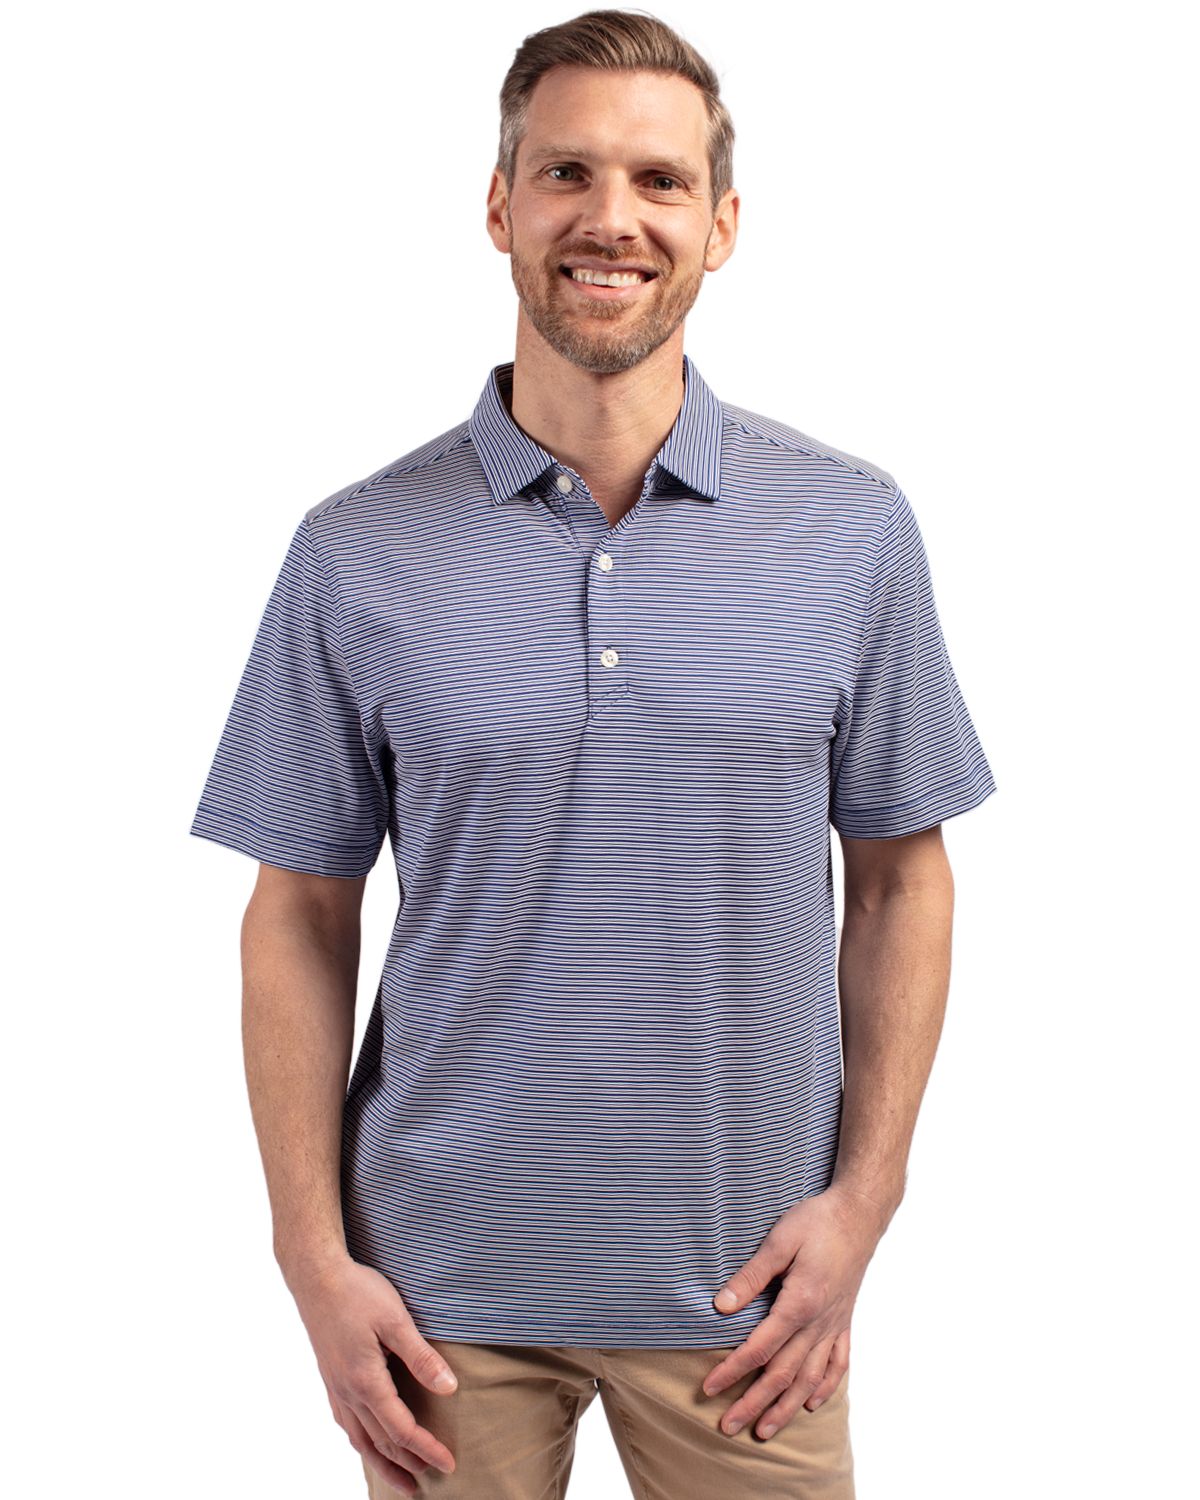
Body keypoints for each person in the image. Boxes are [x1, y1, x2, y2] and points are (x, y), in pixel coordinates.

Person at [189, 9, 997, 1497]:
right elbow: (297, 911)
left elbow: (902, 879)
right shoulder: (355, 549)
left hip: (754, 1299)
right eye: (566, 172)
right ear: (500, 206)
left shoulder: (851, 530)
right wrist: (310, 1254)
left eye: (659, 180)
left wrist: (867, 1201)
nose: (610, 218)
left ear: (722, 225)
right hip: (435, 1302)